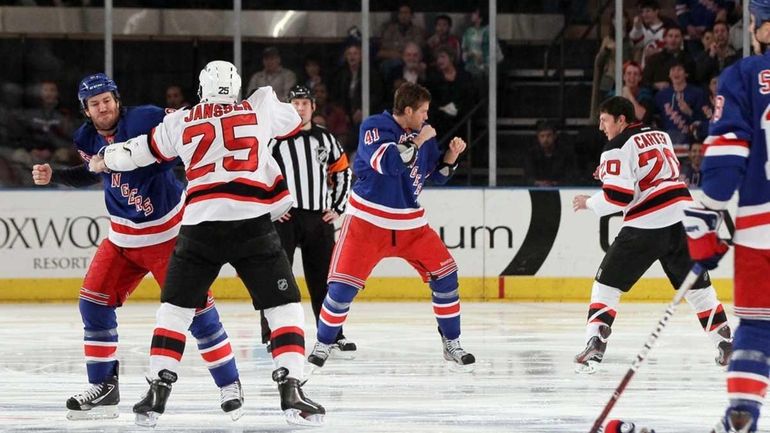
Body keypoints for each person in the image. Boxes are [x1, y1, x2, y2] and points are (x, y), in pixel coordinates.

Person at [93, 61, 325, 427]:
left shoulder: (181, 120)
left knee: (175, 309)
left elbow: (138, 152)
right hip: (252, 222)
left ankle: (159, 391)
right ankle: (291, 385)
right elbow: (294, 122)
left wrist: (105, 158)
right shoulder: (260, 104)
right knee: (283, 307)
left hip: (200, 224)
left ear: (201, 88)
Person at [29, 73, 243, 420]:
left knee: (199, 314)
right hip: (121, 240)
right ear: (86, 110)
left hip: (168, 237)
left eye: (108, 100)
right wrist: (56, 175)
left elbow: (187, 125)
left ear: (117, 99)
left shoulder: (145, 117)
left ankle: (230, 384)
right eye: (95, 104)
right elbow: (94, 172)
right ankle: (104, 388)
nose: (103, 108)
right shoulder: (84, 136)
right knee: (92, 306)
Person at [306, 82, 475, 371]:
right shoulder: (375, 127)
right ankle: (323, 342)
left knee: (447, 277)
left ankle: (452, 343)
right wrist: (420, 140)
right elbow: (390, 163)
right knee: (342, 288)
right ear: (407, 110)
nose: (426, 116)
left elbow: (436, 175)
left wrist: (451, 157)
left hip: (412, 224)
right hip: (367, 221)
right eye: (422, 111)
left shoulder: (423, 134)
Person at [571, 96, 732, 374]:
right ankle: (726, 342)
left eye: (605, 120)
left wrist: (588, 203)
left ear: (621, 119)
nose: (601, 127)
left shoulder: (615, 145)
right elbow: (653, 172)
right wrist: (609, 173)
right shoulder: (661, 134)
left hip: (646, 224)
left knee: (606, 285)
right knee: (700, 290)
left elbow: (619, 197)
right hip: (683, 217)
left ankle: (595, 341)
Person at [687, 2, 770, 431]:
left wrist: (709, 215)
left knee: (756, 327)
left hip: (761, 232)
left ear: (758, 26)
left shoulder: (744, 75)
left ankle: (742, 411)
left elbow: (725, 157)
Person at [260, 84, 354, 355]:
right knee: (276, 277)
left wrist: (337, 207)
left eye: (304, 103)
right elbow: (258, 171)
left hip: (318, 218)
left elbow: (343, 172)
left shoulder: (326, 138)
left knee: (325, 279)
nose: (300, 108)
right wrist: (273, 206)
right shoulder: (274, 138)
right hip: (284, 218)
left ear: (313, 106)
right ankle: (272, 335)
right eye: (295, 103)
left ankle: (332, 334)